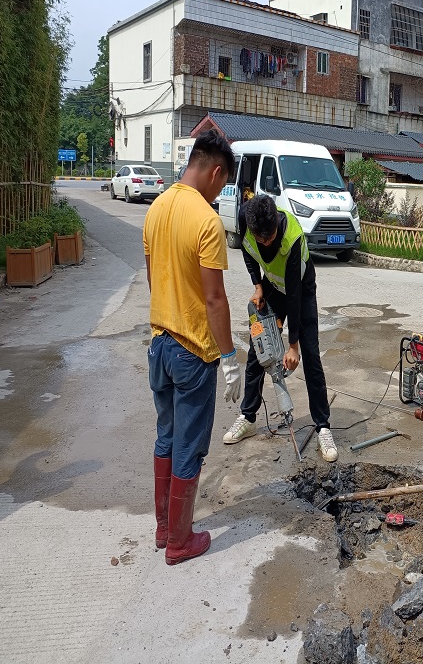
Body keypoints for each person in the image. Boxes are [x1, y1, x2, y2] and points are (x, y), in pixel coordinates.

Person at [144, 129, 242, 566]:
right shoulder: (205, 221)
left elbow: (153, 281)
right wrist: (229, 358)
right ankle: (181, 542)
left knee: (165, 435)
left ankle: (165, 527)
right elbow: (215, 299)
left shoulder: (156, 208)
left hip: (158, 345)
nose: (220, 191)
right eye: (223, 184)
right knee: (189, 444)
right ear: (216, 172)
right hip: (191, 352)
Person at [223, 194, 338, 462]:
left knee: (310, 356)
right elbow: (248, 251)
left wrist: (293, 345)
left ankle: (323, 427)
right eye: (262, 238)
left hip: (301, 290)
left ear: (276, 223)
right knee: (258, 350)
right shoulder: (245, 219)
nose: (266, 242)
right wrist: (258, 285)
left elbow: (295, 296)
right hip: (272, 287)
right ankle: (248, 417)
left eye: (270, 237)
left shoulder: (292, 238)